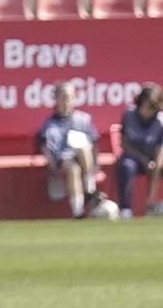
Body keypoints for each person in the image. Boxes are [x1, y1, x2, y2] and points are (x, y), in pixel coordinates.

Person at [36, 81, 111, 220]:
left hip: (85, 157)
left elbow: (94, 143)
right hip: (63, 159)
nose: (66, 101)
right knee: (73, 169)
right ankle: (78, 211)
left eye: (69, 97)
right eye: (62, 97)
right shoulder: (49, 123)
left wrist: (95, 165)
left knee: (83, 147)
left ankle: (89, 187)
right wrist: (51, 164)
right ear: (56, 100)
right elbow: (44, 145)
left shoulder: (83, 119)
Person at [113, 83, 162, 218]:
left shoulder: (160, 122)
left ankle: (153, 206)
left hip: (155, 159)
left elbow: (160, 153)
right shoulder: (128, 115)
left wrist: (149, 199)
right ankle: (125, 209)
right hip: (133, 156)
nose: (146, 110)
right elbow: (124, 144)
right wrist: (144, 160)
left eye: (151, 107)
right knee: (126, 166)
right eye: (143, 106)